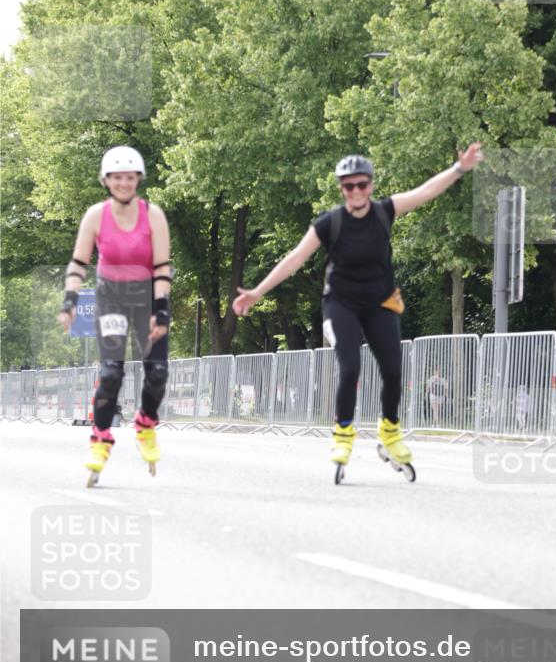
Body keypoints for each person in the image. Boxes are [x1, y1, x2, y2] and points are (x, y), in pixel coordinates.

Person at [233, 143, 484, 469]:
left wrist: (459, 168)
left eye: (361, 184)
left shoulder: (384, 211)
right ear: (342, 189)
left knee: (393, 370)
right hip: (341, 304)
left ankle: (390, 432)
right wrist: (257, 291)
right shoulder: (329, 223)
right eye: (349, 186)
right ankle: (343, 436)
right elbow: (295, 259)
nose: (355, 191)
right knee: (350, 366)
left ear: (371, 185)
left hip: (381, 301)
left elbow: (426, 191)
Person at [58, 146, 172, 481]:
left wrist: (161, 311)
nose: (123, 183)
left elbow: (162, 266)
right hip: (111, 298)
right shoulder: (96, 216)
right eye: (117, 178)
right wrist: (70, 300)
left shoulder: (154, 215)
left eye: (129, 177)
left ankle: (145, 422)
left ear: (138, 179)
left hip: (147, 298)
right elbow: (79, 262)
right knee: (111, 373)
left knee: (158, 372)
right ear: (106, 181)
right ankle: (100, 438)